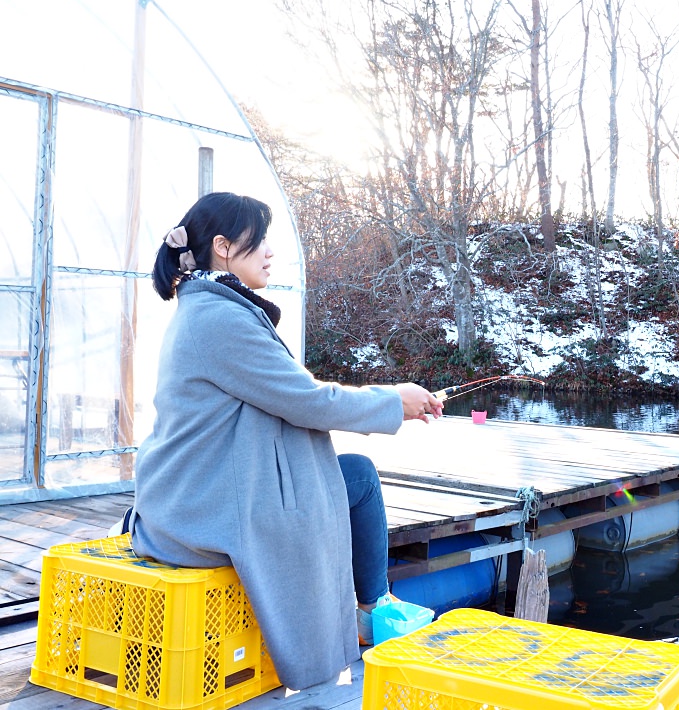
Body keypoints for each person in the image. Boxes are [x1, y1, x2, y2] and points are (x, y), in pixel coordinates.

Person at [127, 192, 443, 690]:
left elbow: (292, 397)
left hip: (200, 485)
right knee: (354, 479)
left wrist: (390, 401)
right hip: (198, 503)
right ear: (224, 247)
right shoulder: (218, 318)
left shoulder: (213, 306)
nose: (270, 252)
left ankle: (369, 607)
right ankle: (369, 610)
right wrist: (392, 401)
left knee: (355, 474)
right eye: (260, 242)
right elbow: (308, 401)